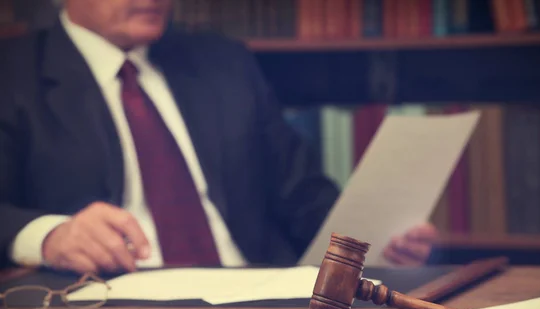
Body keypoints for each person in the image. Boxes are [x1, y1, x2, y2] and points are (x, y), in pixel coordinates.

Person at [0, 0, 438, 275]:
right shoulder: (12, 73)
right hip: (109, 308)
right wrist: (48, 235)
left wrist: (371, 241)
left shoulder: (223, 62)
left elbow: (302, 195)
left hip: (255, 295)